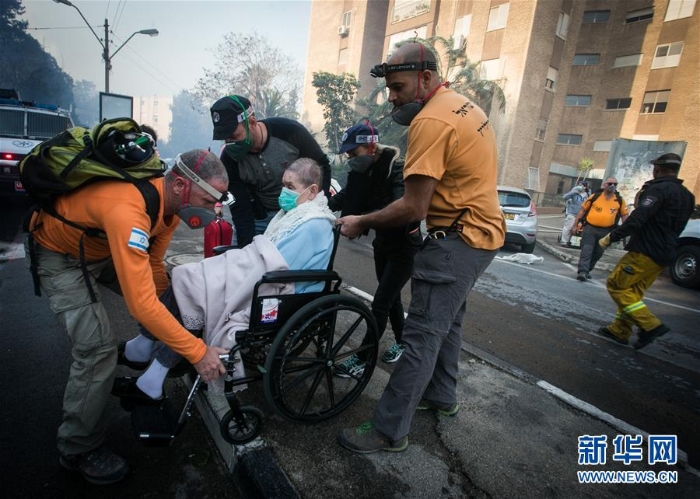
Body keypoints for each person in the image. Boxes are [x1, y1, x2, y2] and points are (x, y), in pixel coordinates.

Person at [335, 42, 506, 454]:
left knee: (422, 336)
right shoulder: (463, 105)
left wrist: (362, 221)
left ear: (425, 77)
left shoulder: (431, 122)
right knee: (449, 323)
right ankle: (442, 397)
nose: (391, 97)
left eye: (397, 87)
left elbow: (414, 207)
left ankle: (388, 430)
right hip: (483, 235)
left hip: (457, 241)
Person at [24, 149, 232, 485]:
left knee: (171, 291)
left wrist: (176, 310)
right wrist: (197, 351)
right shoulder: (129, 211)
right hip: (61, 257)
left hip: (100, 248)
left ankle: (141, 354)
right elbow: (141, 305)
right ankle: (78, 448)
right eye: (209, 201)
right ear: (180, 185)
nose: (213, 209)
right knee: (96, 351)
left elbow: (152, 267)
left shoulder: (168, 211)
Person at [114, 158, 336, 402]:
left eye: (290, 187)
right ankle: (146, 347)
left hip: (280, 288)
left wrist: (238, 263)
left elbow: (277, 262)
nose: (283, 192)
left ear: (312, 190)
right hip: (262, 272)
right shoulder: (293, 214)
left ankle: (152, 372)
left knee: (198, 287)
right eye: (283, 184)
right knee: (190, 277)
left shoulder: (314, 223)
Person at [330, 123, 421, 375]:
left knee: (380, 303)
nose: (348, 156)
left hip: (405, 246)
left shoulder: (397, 168)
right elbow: (346, 196)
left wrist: (361, 220)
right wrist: (319, 206)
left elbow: (400, 208)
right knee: (390, 299)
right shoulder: (364, 171)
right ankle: (404, 342)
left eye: (353, 151)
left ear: (371, 146)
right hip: (382, 243)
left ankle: (361, 359)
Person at [596, 153, 694, 349]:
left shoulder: (658, 190)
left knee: (617, 285)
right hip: (664, 253)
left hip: (645, 250)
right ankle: (620, 330)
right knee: (633, 293)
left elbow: (639, 218)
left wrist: (612, 237)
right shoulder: (687, 196)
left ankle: (651, 325)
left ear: (657, 169)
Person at [210, 95, 332, 247]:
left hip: (299, 214)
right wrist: (246, 250)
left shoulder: (290, 132)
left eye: (234, 136)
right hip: (259, 218)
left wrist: (320, 207)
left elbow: (322, 165)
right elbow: (240, 209)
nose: (230, 143)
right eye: (225, 139)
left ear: (252, 122)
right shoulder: (229, 159)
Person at [572, 177, 629, 281]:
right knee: (587, 250)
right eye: (610, 183)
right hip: (590, 229)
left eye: (615, 184)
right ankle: (582, 272)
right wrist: (575, 225)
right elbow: (582, 211)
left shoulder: (619, 200)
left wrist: (627, 230)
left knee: (598, 253)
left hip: (606, 231)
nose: (612, 186)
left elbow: (624, 216)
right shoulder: (595, 197)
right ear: (604, 185)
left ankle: (587, 270)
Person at [560, 180, 589, 247]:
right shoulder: (574, 194)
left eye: (581, 185)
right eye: (578, 185)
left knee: (579, 229)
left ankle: (576, 243)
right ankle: (564, 242)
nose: (579, 186)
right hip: (572, 213)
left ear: (585, 187)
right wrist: (572, 192)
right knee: (568, 227)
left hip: (582, 215)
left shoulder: (587, 195)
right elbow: (564, 197)